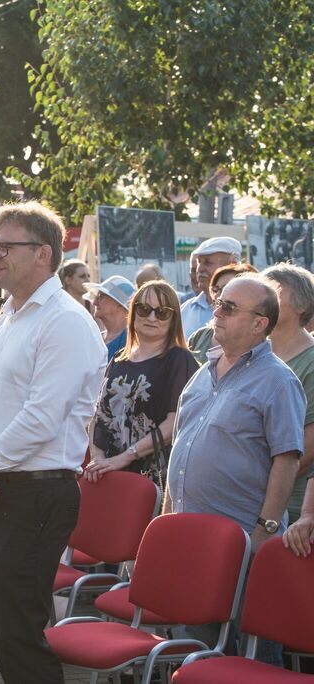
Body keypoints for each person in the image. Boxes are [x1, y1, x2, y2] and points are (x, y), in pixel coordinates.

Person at [0, 202, 106, 684]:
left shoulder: (65, 321)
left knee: (20, 635)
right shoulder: (7, 320)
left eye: (4, 247)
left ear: (43, 253)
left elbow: (42, 418)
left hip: (38, 493)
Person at [166, 274, 303, 665]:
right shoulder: (201, 373)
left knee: (254, 652)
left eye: (228, 307)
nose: (217, 312)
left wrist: (266, 529)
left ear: (260, 323)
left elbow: (287, 458)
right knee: (200, 646)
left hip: (244, 538)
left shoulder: (278, 380)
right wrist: (167, 520)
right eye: (218, 303)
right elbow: (181, 450)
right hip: (193, 535)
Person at [85, 281, 198, 485]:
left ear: (173, 319)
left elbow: (174, 424)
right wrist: (97, 459)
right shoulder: (119, 358)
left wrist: (125, 457)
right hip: (108, 472)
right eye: (144, 309)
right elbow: (98, 415)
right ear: (133, 312)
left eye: (162, 312)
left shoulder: (179, 360)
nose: (152, 317)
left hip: (154, 477)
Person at [262, 264, 314, 525]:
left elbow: (310, 443)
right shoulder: (255, 355)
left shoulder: (312, 360)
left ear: (302, 306)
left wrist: (266, 486)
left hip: (290, 507)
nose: (264, 297)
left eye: (274, 291)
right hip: (248, 497)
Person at [187, 263, 257, 364]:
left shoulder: (258, 345)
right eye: (216, 289)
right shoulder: (199, 337)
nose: (219, 296)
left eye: (226, 288)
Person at [180, 236, 242, 337]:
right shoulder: (186, 310)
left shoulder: (245, 311)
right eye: (199, 262)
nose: (200, 269)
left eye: (208, 263)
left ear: (232, 265)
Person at [85, 275, 136, 361]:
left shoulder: (131, 341)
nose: (94, 303)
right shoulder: (96, 338)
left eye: (101, 297)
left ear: (119, 305)